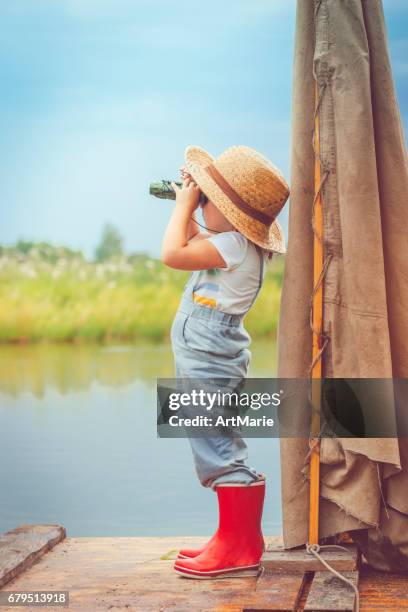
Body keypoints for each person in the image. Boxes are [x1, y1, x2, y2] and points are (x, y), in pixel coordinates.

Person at [161, 144, 289, 579]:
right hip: (209, 350)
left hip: (209, 352)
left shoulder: (234, 244)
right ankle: (234, 539)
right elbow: (195, 241)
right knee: (214, 438)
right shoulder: (233, 244)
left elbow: (173, 254)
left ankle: (240, 548)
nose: (200, 203)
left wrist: (182, 205)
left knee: (215, 444)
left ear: (233, 216)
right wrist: (195, 206)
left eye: (207, 199)